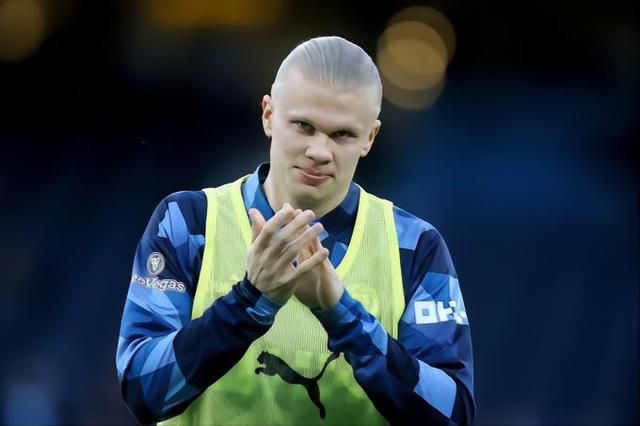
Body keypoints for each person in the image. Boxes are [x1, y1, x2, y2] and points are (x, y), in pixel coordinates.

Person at [116, 36, 475, 425]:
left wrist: (342, 314)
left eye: (342, 135)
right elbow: (142, 389)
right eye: (303, 126)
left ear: (370, 138)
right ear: (269, 115)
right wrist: (248, 303)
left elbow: (453, 414)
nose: (320, 151)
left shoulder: (414, 246)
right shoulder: (189, 223)